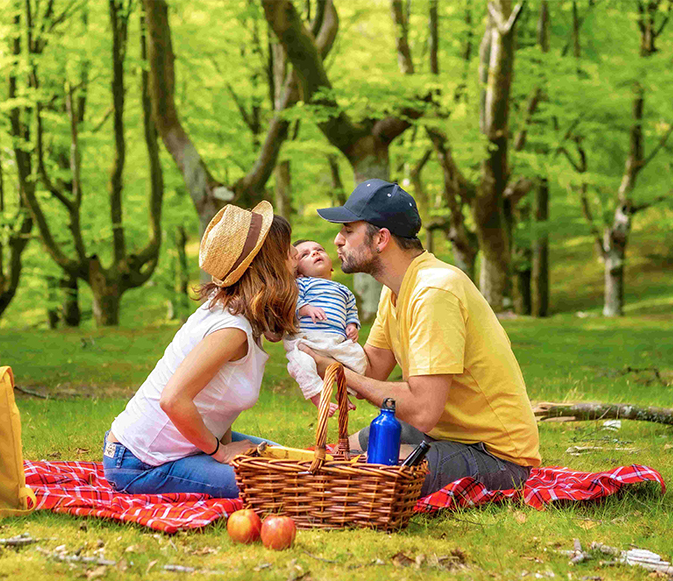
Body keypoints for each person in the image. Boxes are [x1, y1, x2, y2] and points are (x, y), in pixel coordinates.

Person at [301, 179, 541, 496]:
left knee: (354, 475)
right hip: (446, 433)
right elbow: (371, 370)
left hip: (496, 456)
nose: (337, 241)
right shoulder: (397, 289)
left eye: (348, 231)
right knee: (338, 454)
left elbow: (423, 411)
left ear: (380, 239)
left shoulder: (433, 291)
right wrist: (317, 342)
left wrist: (337, 372)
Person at [103, 201, 299, 499]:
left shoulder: (236, 313)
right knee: (279, 485)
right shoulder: (230, 329)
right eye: (287, 250)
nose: (296, 254)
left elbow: (218, 400)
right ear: (268, 265)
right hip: (139, 463)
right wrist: (220, 453)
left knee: (287, 461)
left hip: (179, 447)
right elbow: (173, 399)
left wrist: (228, 448)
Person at [284, 239, 367, 414]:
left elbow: (351, 310)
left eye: (319, 249)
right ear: (298, 272)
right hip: (306, 341)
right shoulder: (301, 284)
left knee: (360, 358)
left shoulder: (344, 290)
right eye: (305, 255)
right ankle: (318, 398)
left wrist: (352, 325)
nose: (314, 253)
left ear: (331, 266)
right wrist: (305, 308)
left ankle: (343, 392)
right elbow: (290, 300)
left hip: (335, 342)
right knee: (303, 363)